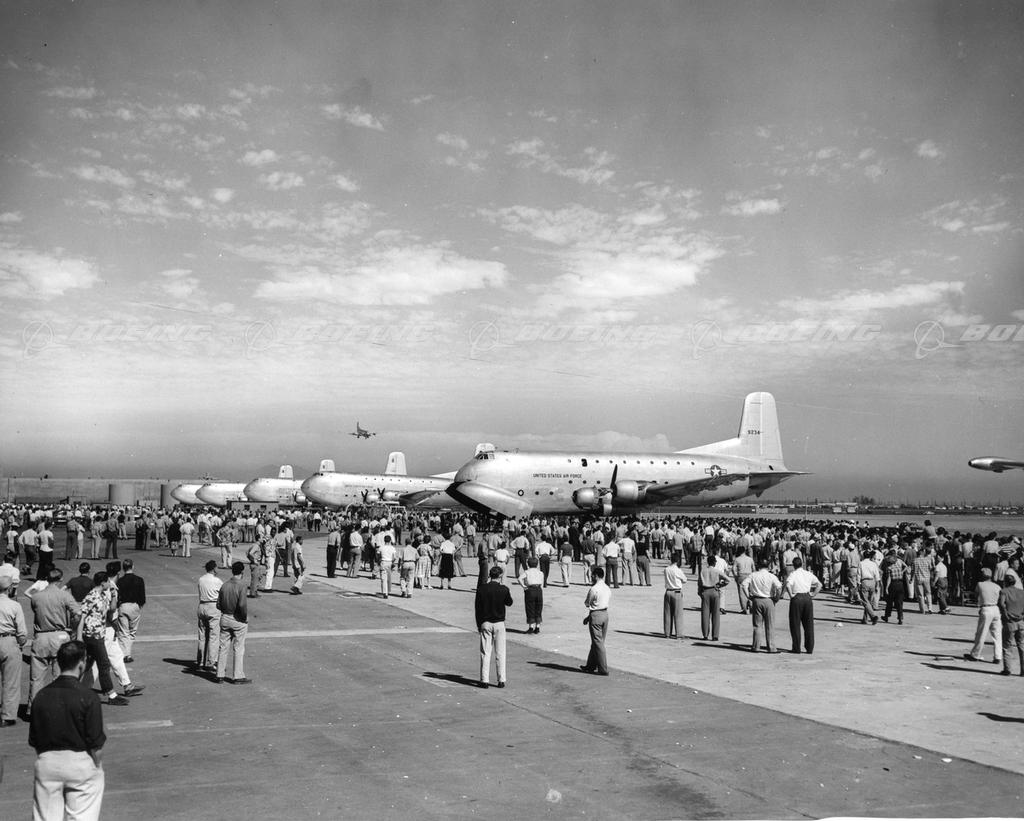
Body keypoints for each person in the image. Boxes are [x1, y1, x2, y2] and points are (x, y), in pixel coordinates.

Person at [29, 640, 106, 821]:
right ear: (81, 663)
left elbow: (36, 741)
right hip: (80, 762)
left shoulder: (41, 696)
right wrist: (97, 767)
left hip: (47, 762)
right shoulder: (88, 697)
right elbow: (96, 744)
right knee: (83, 815)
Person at [27, 567, 81, 714]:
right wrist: (73, 629)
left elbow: (36, 611)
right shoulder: (64, 595)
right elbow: (77, 613)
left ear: (47, 579)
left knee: (36, 678)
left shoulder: (36, 597)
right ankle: (58, 707)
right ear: (60, 579)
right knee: (59, 676)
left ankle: (34, 708)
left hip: (41, 637)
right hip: (60, 635)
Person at [79, 572, 130, 706]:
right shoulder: (91, 596)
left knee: (89, 664)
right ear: (102, 583)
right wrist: (79, 637)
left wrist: (113, 595)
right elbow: (82, 617)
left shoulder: (102, 596)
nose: (109, 583)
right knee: (104, 664)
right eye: (107, 581)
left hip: (99, 634)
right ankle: (111, 694)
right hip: (92, 635)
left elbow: (111, 609)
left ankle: (77, 689)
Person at [475, 565, 513, 688]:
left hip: (485, 622)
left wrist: (479, 624)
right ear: (500, 575)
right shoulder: (504, 589)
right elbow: (509, 602)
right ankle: (501, 679)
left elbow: (477, 609)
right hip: (499, 623)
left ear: (490, 575)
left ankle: (484, 679)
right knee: (500, 652)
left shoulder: (482, 589)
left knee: (485, 652)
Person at [216, 561, 250, 684]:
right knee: (238, 648)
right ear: (242, 572)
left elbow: (218, 604)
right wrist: (244, 617)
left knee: (223, 647)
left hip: (225, 617)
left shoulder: (224, 585)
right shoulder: (242, 585)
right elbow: (242, 605)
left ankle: (220, 674)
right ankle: (238, 675)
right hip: (237, 618)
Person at [0, 572, 27, 725]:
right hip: (8, 640)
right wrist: (20, 643)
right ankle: (8, 716)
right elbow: (22, 632)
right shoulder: (15, 606)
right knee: (10, 681)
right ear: (9, 588)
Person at [741, 557, 782, 653]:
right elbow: (779, 587)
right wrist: (777, 598)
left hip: (757, 600)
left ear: (758, 565)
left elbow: (743, 585)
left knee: (757, 625)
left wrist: (748, 596)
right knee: (770, 624)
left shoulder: (753, 575)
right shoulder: (771, 576)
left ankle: (756, 646)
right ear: (768, 566)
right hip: (769, 600)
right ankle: (771, 647)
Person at [963, 567, 1003, 665]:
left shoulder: (980, 584)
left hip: (986, 609)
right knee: (997, 634)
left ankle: (975, 654)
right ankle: (998, 656)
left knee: (981, 633)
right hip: (996, 609)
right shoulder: (997, 586)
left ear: (982, 576)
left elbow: (976, 595)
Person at [783, 556, 821, 654]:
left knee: (795, 624)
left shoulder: (793, 574)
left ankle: (796, 647)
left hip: (797, 597)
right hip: (807, 597)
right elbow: (819, 584)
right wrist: (813, 594)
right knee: (808, 624)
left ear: (794, 565)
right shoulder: (808, 573)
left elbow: (788, 585)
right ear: (802, 564)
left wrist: (791, 595)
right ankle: (809, 647)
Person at [580, 566, 611, 675]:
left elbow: (587, 603)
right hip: (605, 615)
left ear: (596, 576)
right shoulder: (607, 588)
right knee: (597, 642)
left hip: (596, 615)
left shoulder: (594, 588)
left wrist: (590, 615)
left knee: (598, 643)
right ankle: (590, 665)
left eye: (592, 575)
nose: (591, 577)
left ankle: (603, 669)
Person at [115, 558, 145, 663]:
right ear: (132, 566)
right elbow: (142, 596)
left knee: (123, 632)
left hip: (123, 606)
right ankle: (128, 653)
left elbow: (117, 596)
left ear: (123, 568)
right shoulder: (139, 580)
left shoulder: (120, 581)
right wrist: (139, 605)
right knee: (132, 632)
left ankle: (125, 654)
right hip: (135, 605)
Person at [697, 550, 728, 641]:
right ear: (714, 562)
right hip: (714, 591)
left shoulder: (703, 571)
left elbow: (699, 583)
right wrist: (720, 585)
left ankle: (705, 635)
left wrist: (700, 592)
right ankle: (715, 635)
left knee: (705, 614)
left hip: (705, 591)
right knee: (715, 615)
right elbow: (728, 580)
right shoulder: (716, 571)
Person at [196, 560, 222, 671]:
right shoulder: (217, 581)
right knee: (214, 636)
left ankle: (201, 661)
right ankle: (212, 661)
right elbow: (222, 594)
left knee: (202, 636)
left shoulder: (201, 579)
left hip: (202, 605)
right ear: (214, 568)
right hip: (213, 606)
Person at [998, 570, 1024, 676]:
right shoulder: (1021, 592)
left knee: (1007, 646)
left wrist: (1005, 614)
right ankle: (1023, 670)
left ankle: (1007, 669)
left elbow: (1001, 604)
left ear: (1005, 582)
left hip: (1009, 622)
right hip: (1020, 621)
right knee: (1021, 645)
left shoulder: (1004, 591)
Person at [663, 551, 687, 640]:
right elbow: (685, 580)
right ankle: (679, 634)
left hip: (668, 591)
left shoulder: (666, 569)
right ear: (677, 561)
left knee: (667, 613)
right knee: (678, 614)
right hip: (676, 592)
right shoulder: (678, 570)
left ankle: (667, 633)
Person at [519, 556, 545, 634]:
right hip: (538, 590)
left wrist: (524, 586)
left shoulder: (527, 572)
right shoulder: (540, 572)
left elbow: (519, 578)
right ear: (537, 564)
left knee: (530, 607)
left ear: (528, 564)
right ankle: (537, 627)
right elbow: (542, 584)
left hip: (530, 589)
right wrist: (540, 590)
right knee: (538, 607)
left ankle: (531, 626)